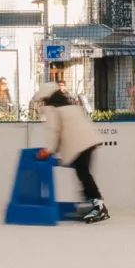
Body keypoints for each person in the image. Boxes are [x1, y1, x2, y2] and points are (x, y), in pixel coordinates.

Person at [37, 83, 109, 223]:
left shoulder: (53, 110)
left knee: (84, 174)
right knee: (83, 174)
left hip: (79, 145)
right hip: (89, 142)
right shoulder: (72, 106)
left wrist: (48, 149)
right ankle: (88, 204)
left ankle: (98, 206)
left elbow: (54, 130)